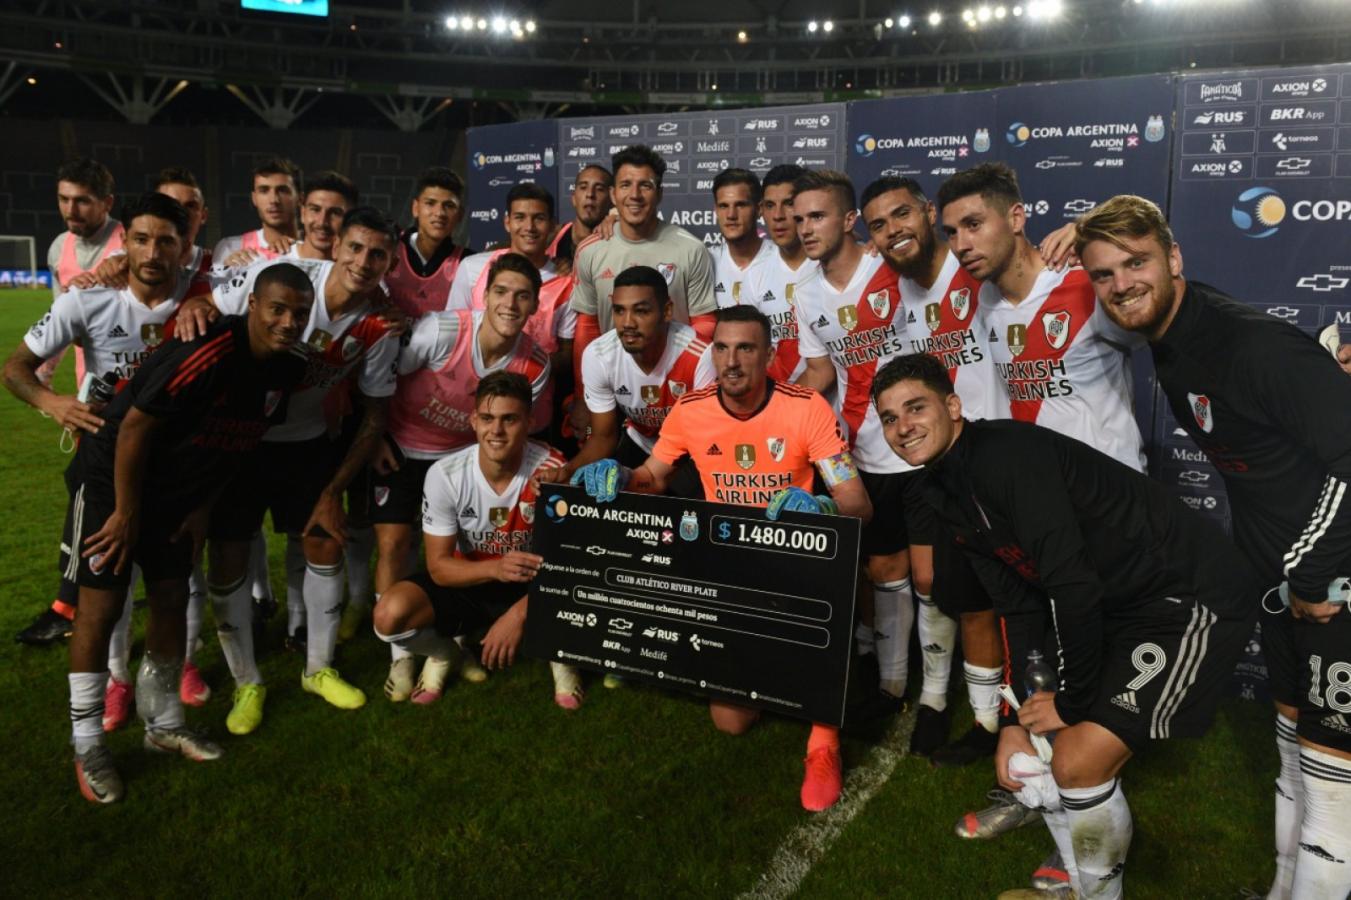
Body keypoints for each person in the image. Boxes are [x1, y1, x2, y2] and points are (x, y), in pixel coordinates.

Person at [873, 352, 1256, 899]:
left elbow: (1072, 587)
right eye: (889, 418)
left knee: (1077, 761)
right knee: (1033, 753)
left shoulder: (1006, 457)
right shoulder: (940, 490)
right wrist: (1014, 718)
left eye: (916, 407)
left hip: (1187, 595)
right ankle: (1078, 886)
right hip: (1121, 605)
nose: (903, 426)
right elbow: (1021, 605)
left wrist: (1069, 703)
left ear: (953, 406)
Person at [1076, 195, 1351, 900]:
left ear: (1173, 260)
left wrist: (1313, 576)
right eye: (1102, 275)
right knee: (1290, 758)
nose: (1120, 285)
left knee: (1330, 791)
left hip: (1332, 583)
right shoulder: (1168, 345)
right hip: (1283, 580)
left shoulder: (1249, 345)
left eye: (1135, 264)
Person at [572, 304, 872, 812]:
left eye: (746, 348)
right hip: (730, 566)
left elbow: (858, 504)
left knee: (832, 579)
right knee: (731, 722)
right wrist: (621, 478)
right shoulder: (691, 409)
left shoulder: (806, 407)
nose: (732, 361)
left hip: (797, 565)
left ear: (769, 355)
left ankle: (824, 743)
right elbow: (654, 475)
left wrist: (819, 507)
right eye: (723, 347)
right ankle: (771, 667)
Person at [59, 260, 313, 804]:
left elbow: (233, 445)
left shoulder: (287, 370)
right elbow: (134, 427)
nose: (289, 322)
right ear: (252, 307)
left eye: (299, 312)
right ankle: (87, 746)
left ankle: (164, 724)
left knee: (173, 598)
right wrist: (126, 513)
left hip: (178, 492)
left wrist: (200, 508)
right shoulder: (211, 351)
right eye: (277, 309)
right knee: (100, 608)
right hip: (114, 479)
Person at [184, 208, 401, 733]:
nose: (363, 262)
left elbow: (374, 414)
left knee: (324, 540)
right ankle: (247, 682)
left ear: (389, 260)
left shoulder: (381, 324)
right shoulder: (282, 277)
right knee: (229, 556)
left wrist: (333, 489)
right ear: (336, 246)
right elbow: (208, 305)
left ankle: (318, 670)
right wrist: (195, 301)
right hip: (237, 443)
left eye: (377, 254)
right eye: (355, 248)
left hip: (305, 443)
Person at [4, 192, 212, 724]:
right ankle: (114, 685)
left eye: (167, 240)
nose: (152, 252)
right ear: (124, 243)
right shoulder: (87, 299)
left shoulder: (205, 300)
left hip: (176, 473)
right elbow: (16, 369)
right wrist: (54, 402)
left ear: (184, 246)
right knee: (105, 592)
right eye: (140, 239)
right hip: (102, 469)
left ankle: (168, 697)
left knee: (173, 588)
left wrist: (204, 296)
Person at [860, 174, 1012, 770]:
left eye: (902, 215)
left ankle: (999, 718)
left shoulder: (977, 267)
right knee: (942, 586)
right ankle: (951, 707)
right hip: (935, 462)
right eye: (878, 224)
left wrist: (1072, 233)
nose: (893, 230)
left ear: (928, 214)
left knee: (995, 601)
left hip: (995, 460)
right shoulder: (895, 292)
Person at [372, 252, 551, 703]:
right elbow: (384, 378)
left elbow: (514, 424)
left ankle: (451, 642)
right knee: (393, 545)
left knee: (461, 548)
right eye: (502, 292)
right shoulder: (443, 329)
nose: (510, 304)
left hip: (461, 454)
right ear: (485, 295)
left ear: (534, 306)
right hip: (402, 445)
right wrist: (375, 437)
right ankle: (402, 654)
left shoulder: (536, 364)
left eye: (523, 296)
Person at [791, 169, 915, 715]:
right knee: (883, 568)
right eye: (798, 219)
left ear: (848, 220)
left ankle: (933, 681)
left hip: (926, 446)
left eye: (816, 216)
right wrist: (777, 408)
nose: (804, 229)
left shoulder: (893, 269)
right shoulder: (806, 292)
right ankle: (890, 680)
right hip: (865, 449)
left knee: (936, 577)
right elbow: (821, 373)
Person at [374, 371, 566, 707]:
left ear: (530, 422)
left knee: (580, 590)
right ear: (473, 420)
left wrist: (519, 614)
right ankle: (446, 653)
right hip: (473, 579)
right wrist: (497, 568)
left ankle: (564, 662)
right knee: (389, 614)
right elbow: (438, 568)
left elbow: (568, 563)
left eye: (510, 419)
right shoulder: (445, 475)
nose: (497, 431)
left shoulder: (552, 470)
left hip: (535, 584)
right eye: (488, 419)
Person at [937, 163, 1144, 472]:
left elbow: (1161, 307)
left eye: (974, 224)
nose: (961, 245)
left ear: (1016, 218)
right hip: (1041, 487)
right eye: (952, 233)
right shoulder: (985, 299)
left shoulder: (1083, 282)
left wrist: (1092, 230)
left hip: (1112, 489)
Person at [15, 158, 126, 646]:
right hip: (88, 394)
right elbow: (62, 314)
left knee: (95, 493)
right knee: (89, 492)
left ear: (107, 202)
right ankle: (79, 597)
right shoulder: (61, 247)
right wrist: (47, 373)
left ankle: (72, 602)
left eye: (82, 199)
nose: (70, 209)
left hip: (130, 395)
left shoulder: (131, 243)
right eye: (63, 198)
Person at [537, 265, 712, 487]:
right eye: (619, 310)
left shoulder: (700, 356)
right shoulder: (599, 355)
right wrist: (568, 471)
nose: (628, 323)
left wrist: (646, 478)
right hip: (639, 441)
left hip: (689, 454)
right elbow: (603, 436)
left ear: (667, 311)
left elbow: (703, 438)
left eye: (641, 311)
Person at [569, 145, 717, 390]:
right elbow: (587, 327)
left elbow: (704, 322)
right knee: (596, 431)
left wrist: (683, 369)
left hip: (676, 383)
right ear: (614, 194)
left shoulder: (691, 249)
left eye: (645, 186)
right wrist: (583, 391)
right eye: (626, 185)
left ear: (659, 193)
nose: (635, 195)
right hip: (612, 383)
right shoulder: (589, 251)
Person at [449, 182, 575, 370]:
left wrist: (522, 368)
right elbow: (453, 332)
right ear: (507, 222)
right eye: (520, 217)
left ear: (552, 225)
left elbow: (567, 354)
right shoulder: (472, 267)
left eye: (539, 218)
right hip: (471, 390)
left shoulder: (568, 283)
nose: (529, 227)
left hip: (534, 392)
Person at [744, 164, 815, 384]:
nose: (778, 216)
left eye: (789, 204)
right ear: (761, 210)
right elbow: (750, 349)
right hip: (777, 403)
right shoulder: (755, 275)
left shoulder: (829, 265)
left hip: (833, 407)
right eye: (769, 205)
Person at [385, 166, 471, 316]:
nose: (439, 213)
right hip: (384, 338)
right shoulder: (387, 248)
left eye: (449, 206)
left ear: (460, 215)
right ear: (415, 208)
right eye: (430, 203)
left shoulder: (468, 263)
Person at [212, 156, 301, 267]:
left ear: (300, 198)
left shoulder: (317, 247)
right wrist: (228, 272)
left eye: (282, 190)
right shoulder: (230, 248)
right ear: (254, 198)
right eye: (264, 191)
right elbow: (218, 283)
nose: (274, 200)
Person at [708, 168, 775, 308]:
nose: (731, 215)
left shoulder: (781, 258)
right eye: (723, 206)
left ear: (759, 209)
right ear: (716, 211)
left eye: (740, 205)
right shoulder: (705, 262)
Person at [549, 164, 613, 263]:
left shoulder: (619, 237)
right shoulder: (551, 238)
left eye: (599, 189)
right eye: (583, 187)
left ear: (611, 199)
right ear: (573, 198)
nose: (590, 194)